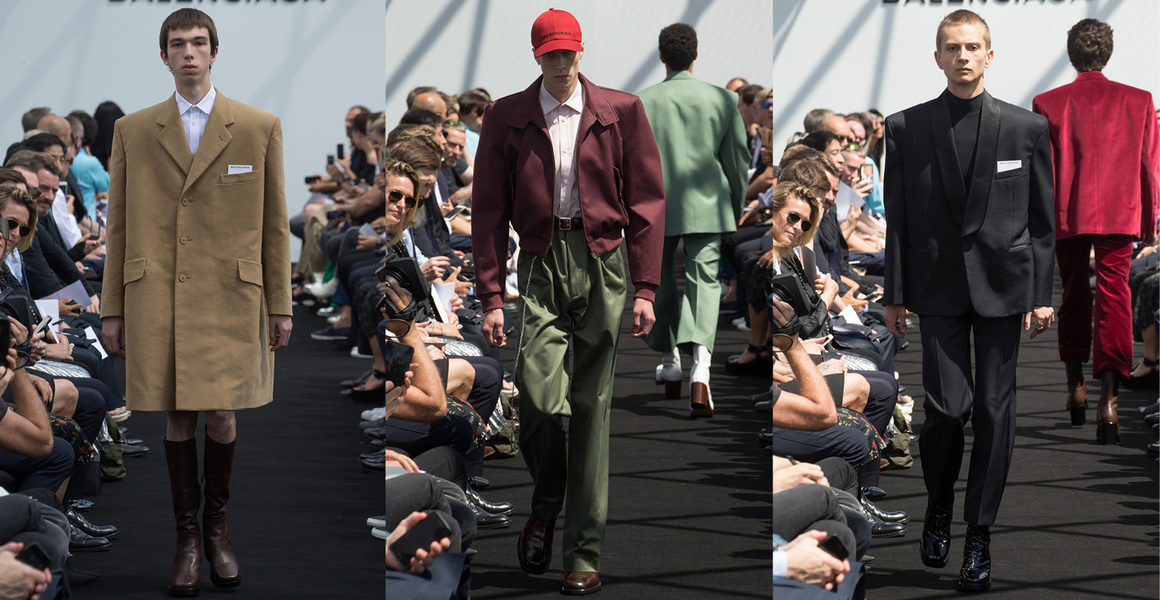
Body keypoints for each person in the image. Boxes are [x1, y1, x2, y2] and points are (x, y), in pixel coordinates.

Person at [472, 8, 664, 596]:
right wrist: (491, 296)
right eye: (549, 53)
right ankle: (547, 502)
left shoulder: (621, 110)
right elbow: (487, 209)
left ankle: (583, 553)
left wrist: (647, 287)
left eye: (568, 52)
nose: (560, 63)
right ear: (536, 56)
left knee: (592, 408)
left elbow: (646, 202)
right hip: (538, 261)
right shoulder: (506, 115)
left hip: (603, 259)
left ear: (582, 52)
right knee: (535, 399)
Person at [100, 8, 292, 597]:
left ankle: (217, 528)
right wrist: (112, 308)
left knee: (224, 412)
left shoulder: (258, 127)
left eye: (199, 42)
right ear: (164, 56)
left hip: (232, 294)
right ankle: (187, 538)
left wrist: (281, 303)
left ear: (214, 51)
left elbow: (274, 223)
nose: (189, 52)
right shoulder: (133, 130)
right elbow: (118, 226)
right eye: (178, 44)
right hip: (157, 288)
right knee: (178, 413)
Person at [882, 10, 1055, 592]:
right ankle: (938, 503)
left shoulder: (1028, 129)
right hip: (935, 288)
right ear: (937, 57)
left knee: (996, 413)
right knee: (946, 411)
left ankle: (979, 533)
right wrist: (895, 295)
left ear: (989, 54)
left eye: (973, 46)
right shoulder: (904, 127)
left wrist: (1041, 294)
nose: (963, 55)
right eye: (953, 47)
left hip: (1005, 287)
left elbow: (1042, 221)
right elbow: (898, 220)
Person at [1032, 18, 1159, 442]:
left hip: (1068, 214)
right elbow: (1150, 169)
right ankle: (1109, 402)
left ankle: (1075, 387)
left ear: (1072, 55)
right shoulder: (1139, 100)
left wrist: (1042, 227)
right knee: (1115, 297)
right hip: (1120, 213)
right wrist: (1149, 223)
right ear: (1108, 52)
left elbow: (1044, 174)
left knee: (1072, 295)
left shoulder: (1048, 103)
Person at [637, 23, 748, 417]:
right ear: (695, 55)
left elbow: (633, 163)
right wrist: (735, 205)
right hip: (709, 205)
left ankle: (670, 361)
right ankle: (701, 370)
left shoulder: (642, 101)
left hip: (656, 206)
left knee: (659, 280)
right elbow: (737, 160)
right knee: (705, 283)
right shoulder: (723, 99)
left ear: (661, 56)